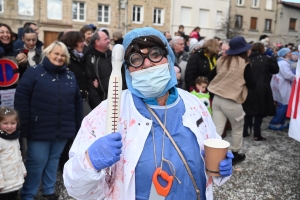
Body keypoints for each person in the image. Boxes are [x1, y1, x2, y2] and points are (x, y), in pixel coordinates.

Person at [63, 27, 233, 200]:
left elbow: (213, 151)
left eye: (155, 54)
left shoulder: (194, 106)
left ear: (169, 58)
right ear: (127, 70)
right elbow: (75, 188)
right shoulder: (109, 112)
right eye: (136, 59)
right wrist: (89, 162)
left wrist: (221, 166)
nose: (147, 64)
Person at [14, 41, 83, 200]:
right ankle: (28, 194)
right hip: (39, 128)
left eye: (62, 55)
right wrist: (23, 127)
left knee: (54, 160)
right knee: (36, 163)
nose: (59, 57)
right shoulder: (34, 72)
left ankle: (48, 190)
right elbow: (22, 99)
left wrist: (78, 126)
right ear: (48, 54)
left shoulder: (69, 75)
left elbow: (77, 102)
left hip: (63, 128)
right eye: (56, 54)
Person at [208, 36, 256, 165]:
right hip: (232, 101)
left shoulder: (222, 60)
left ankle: (211, 153)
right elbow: (252, 85)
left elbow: (210, 76)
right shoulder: (245, 64)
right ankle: (235, 154)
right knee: (237, 128)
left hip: (217, 99)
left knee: (217, 128)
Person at [242, 43, 279, 141]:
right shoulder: (266, 59)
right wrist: (274, 59)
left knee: (248, 110)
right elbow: (275, 70)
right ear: (262, 49)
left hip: (248, 87)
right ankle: (256, 134)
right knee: (259, 111)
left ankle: (245, 131)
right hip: (262, 88)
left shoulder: (247, 59)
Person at [84, 29, 126, 109]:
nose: (109, 40)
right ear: (97, 42)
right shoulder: (90, 58)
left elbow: (123, 76)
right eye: (105, 39)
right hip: (102, 105)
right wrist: (99, 107)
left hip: (120, 102)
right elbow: (91, 86)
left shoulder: (114, 55)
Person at [0, 107, 26, 200]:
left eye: (13, 123)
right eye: (5, 123)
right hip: (3, 185)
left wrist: (22, 170)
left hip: (14, 180)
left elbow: (18, 155)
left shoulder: (14, 137)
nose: (9, 126)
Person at [0, 23, 27, 108]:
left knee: (9, 115)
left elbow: (22, 76)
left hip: (12, 96)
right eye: (2, 32)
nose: (5, 35)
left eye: (8, 32)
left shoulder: (16, 53)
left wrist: (23, 64)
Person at [269, 48, 295, 130]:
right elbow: (288, 75)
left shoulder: (282, 62)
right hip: (282, 86)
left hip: (279, 85)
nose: (291, 54)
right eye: (290, 52)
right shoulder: (283, 63)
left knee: (283, 105)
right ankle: (274, 122)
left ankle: (281, 121)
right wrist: (296, 77)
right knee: (284, 105)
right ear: (286, 54)